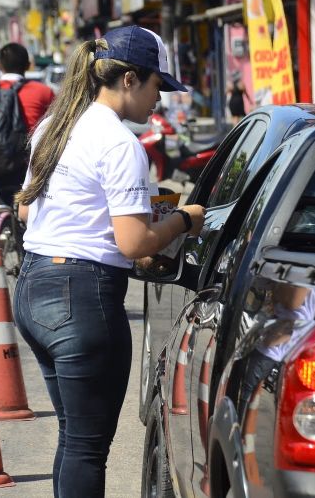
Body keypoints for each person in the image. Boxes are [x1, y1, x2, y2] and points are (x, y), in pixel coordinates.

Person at [12, 25, 206, 498]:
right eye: (158, 85)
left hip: (35, 287)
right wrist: (183, 219)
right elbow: (135, 241)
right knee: (86, 447)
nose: (159, 99)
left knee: (73, 439)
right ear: (129, 80)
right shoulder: (120, 144)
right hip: (82, 299)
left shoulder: (56, 126)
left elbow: (23, 207)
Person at [0, 43, 54, 207]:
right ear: (27, 66)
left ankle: (2, 222)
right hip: (27, 166)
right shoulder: (43, 92)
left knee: (2, 205)